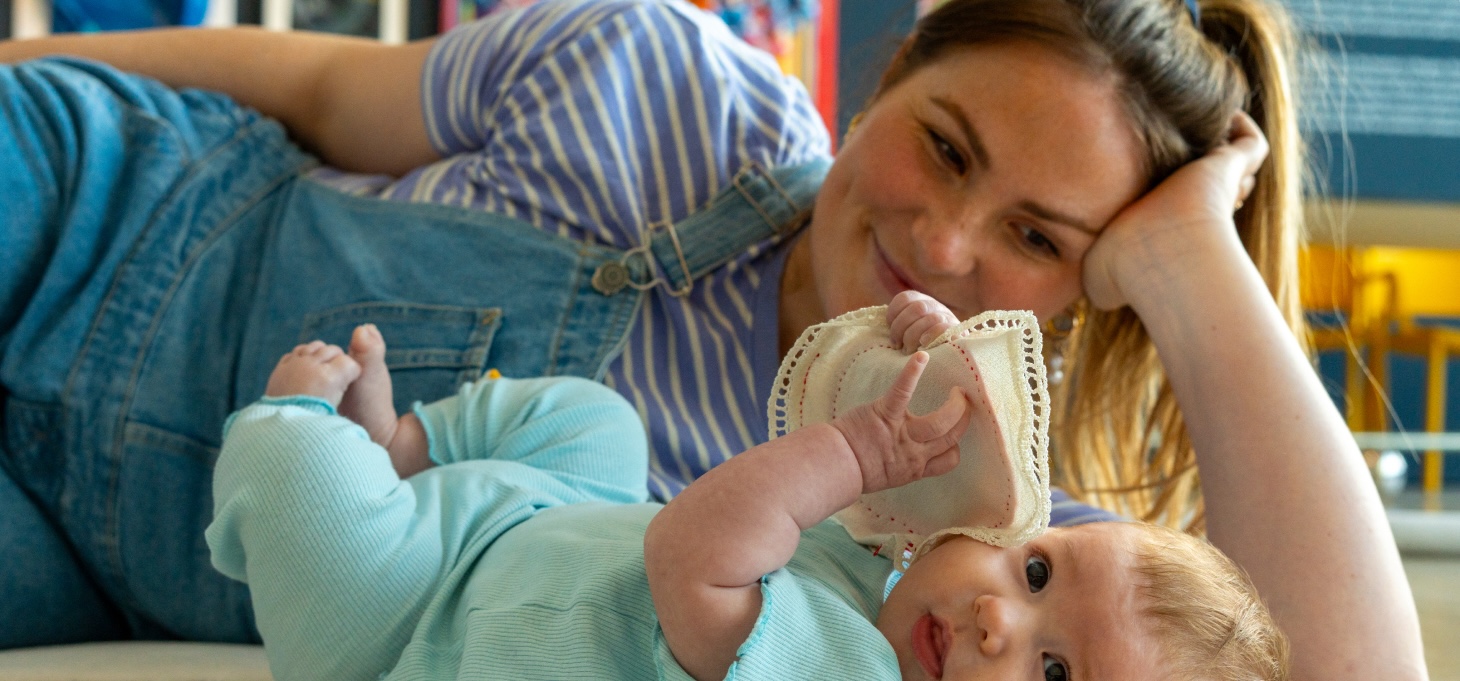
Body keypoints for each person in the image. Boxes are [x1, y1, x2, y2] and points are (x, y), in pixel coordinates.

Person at [0, 0, 1427, 678]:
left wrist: (1193, 261)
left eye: (1044, 239)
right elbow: (309, 78)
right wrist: (23, 70)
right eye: (944, 145)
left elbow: (1349, 679)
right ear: (891, 75)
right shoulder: (671, 86)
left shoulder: (959, 541)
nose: (943, 246)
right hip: (109, 210)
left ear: (1095, 285)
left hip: (111, 545)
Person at [212, 315, 1286, 680]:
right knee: (600, 423)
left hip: (417, 627)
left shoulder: (853, 673)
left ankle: (305, 435)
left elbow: (698, 552)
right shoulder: (893, 580)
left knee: (313, 510)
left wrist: (862, 451)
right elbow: (886, 402)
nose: (999, 618)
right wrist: (912, 354)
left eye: (1055, 675)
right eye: (1039, 569)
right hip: (532, 526)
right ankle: (404, 445)